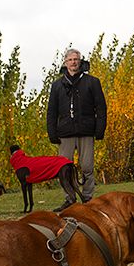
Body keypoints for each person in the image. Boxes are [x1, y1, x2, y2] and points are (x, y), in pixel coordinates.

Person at [46, 48, 106, 211]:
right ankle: (70, 198)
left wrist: (100, 129)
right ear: (65, 62)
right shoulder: (57, 85)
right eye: (70, 59)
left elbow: (101, 108)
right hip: (65, 132)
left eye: (76, 59)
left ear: (80, 61)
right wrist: (52, 132)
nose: (73, 62)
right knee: (64, 169)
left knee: (87, 167)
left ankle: (87, 199)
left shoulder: (92, 82)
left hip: (86, 130)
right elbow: (52, 111)